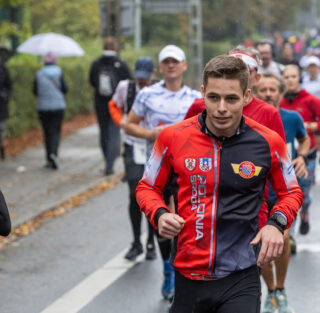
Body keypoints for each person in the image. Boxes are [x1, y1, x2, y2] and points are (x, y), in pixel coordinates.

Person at [136, 54, 302, 313]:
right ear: (203, 93)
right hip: (188, 274)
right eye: (213, 98)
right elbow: (147, 187)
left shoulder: (269, 142)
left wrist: (276, 224)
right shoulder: (171, 137)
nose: (221, 108)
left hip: (241, 274)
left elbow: (291, 192)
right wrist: (160, 214)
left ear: (247, 97)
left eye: (231, 99)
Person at [124, 44, 201, 301]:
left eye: (175, 61)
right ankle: (169, 270)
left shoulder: (194, 98)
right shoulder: (147, 95)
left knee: (186, 222)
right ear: (160, 67)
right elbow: (128, 124)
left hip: (187, 170)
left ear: (184, 66)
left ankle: (183, 272)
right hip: (157, 167)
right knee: (163, 223)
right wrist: (149, 134)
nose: (171, 65)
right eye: (166, 62)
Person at [184, 46, 286, 230]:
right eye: (232, 69)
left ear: (255, 78)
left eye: (245, 70)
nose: (221, 108)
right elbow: (180, 151)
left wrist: (279, 218)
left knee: (266, 253)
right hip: (200, 205)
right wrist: (166, 210)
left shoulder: (268, 112)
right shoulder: (199, 106)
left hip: (252, 205)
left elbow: (281, 167)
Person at [255, 72, 310, 313]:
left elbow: (304, 140)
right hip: (257, 192)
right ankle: (271, 292)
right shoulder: (248, 120)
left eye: (272, 90)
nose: (268, 94)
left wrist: (301, 156)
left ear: (280, 93)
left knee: (283, 238)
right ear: (255, 93)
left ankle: (281, 287)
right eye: (263, 90)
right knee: (263, 244)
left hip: (283, 191)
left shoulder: (292, 117)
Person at [108, 56, 158, 261]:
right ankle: (137, 241)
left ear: (152, 75)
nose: (141, 82)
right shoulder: (125, 86)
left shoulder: (158, 90)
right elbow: (113, 105)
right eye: (139, 78)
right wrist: (121, 122)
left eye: (145, 78)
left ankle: (151, 242)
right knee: (135, 195)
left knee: (154, 196)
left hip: (154, 147)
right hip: (132, 146)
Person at [280, 64, 320, 235]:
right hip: (285, 156)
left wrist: (306, 125)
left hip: (307, 154)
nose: (290, 80)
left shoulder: (311, 100)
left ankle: (305, 213)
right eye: (286, 77)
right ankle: (291, 234)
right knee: (288, 194)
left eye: (293, 77)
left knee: (304, 194)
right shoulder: (278, 102)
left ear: (299, 79)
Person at [89, 37, 131, 175]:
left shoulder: (96, 63)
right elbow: (128, 82)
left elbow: (92, 81)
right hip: (116, 103)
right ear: (115, 48)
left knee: (103, 132)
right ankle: (109, 165)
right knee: (114, 133)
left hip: (100, 102)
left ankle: (107, 159)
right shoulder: (120, 63)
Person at [33, 52, 68, 169]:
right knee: (56, 131)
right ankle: (54, 154)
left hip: (43, 107)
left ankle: (49, 157)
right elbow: (65, 89)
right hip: (58, 106)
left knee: (47, 131)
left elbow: (35, 91)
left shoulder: (39, 74)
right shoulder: (59, 72)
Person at [0, 47, 12, 161]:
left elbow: (9, 86)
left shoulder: (3, 69)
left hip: (2, 104)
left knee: (1, 127)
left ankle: (1, 146)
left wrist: (6, 96)